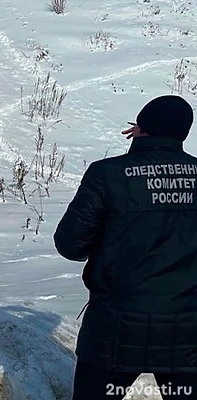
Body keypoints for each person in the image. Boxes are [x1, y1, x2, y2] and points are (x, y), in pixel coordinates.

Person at [53, 94, 197, 399]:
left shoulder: (107, 174)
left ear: (140, 128)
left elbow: (70, 245)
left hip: (114, 328)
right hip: (188, 332)